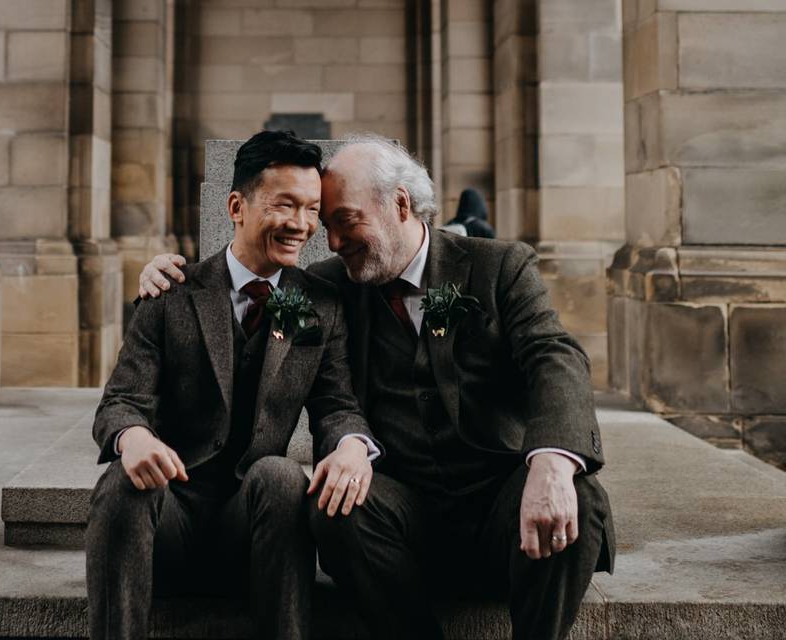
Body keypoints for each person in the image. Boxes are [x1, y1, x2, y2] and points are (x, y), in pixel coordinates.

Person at [138, 134, 615, 640]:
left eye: (345, 221)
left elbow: (555, 356)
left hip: (503, 507)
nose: (335, 242)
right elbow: (245, 293)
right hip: (404, 523)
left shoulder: (498, 267)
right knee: (334, 505)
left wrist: (553, 459)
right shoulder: (329, 287)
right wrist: (175, 279)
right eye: (329, 227)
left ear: (401, 205)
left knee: (579, 497)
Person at [87, 130, 380, 640]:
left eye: (312, 209)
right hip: (170, 525)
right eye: (285, 204)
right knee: (122, 481)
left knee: (282, 474)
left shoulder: (322, 304)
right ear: (236, 206)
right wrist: (132, 436)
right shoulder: (171, 293)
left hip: (255, 529)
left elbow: (336, 405)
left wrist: (354, 446)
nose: (301, 224)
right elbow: (120, 402)